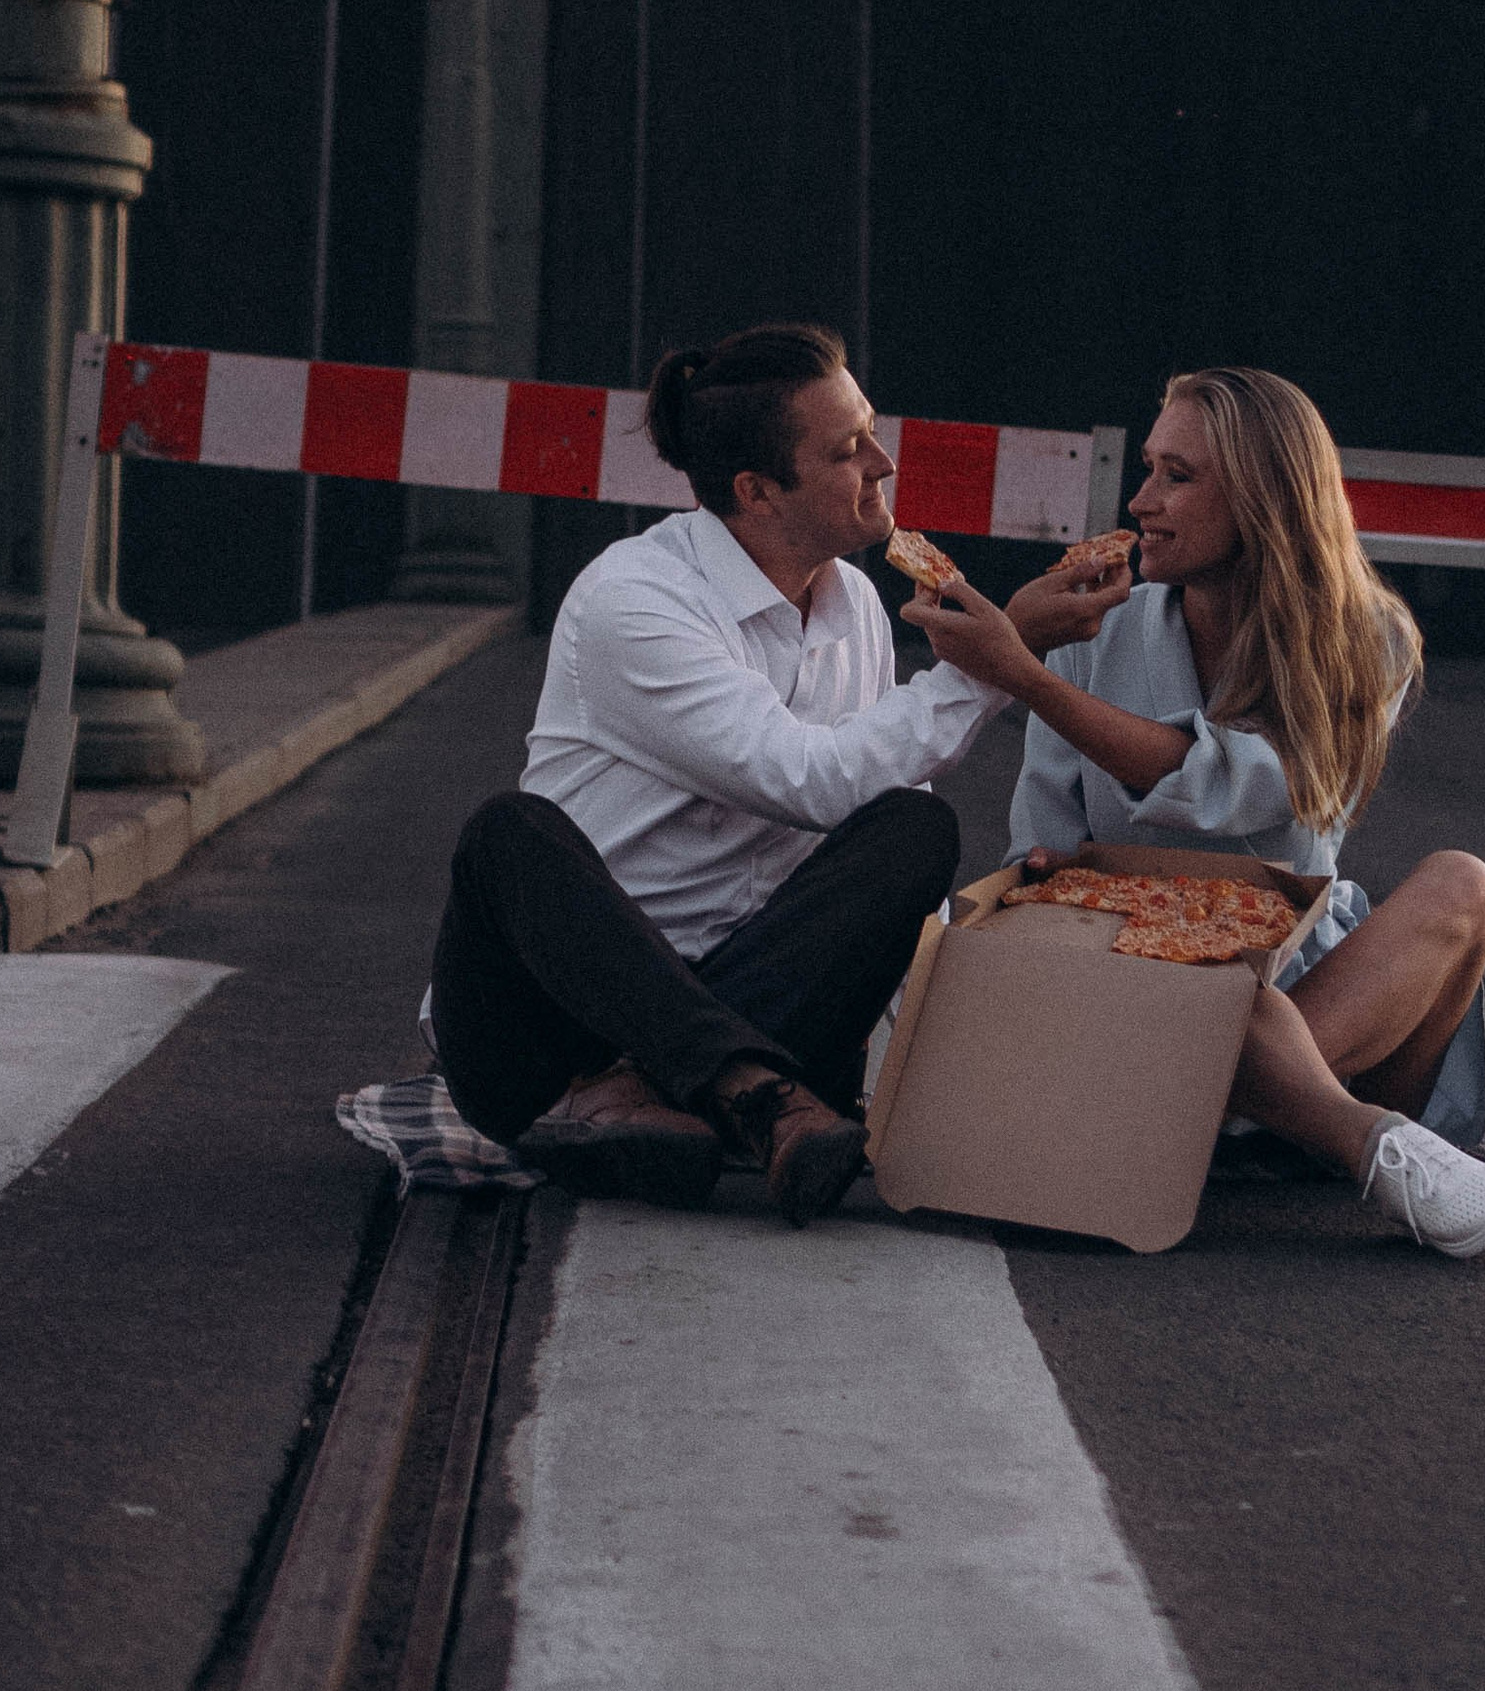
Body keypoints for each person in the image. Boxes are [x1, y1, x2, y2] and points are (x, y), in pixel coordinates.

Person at [421, 321, 1116, 1228]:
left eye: (870, 429)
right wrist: (994, 664)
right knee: (506, 834)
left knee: (914, 827)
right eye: (847, 449)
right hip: (555, 1036)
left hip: (755, 1000)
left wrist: (941, 1058)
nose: (883, 462)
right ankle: (730, 1091)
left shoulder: (857, 602)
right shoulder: (634, 600)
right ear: (757, 492)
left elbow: (863, 823)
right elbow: (807, 780)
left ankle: (674, 1093)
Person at [903, 365, 1485, 1262]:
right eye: (1149, 466)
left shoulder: (1370, 639)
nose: (1141, 498)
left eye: (1178, 476)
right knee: (1186, 983)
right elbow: (1042, 826)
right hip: (1119, 970)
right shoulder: (1099, 622)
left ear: (1267, 501)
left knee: (1463, 885)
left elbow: (1249, 785)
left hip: (1296, 985)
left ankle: (1199, 1117)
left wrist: (1024, 676)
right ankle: (1355, 1140)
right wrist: (1048, 870)